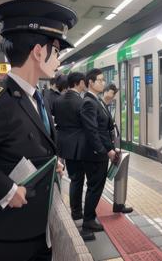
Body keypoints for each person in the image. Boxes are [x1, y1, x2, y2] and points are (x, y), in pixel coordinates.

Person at [0, 0, 77, 261]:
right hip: (6, 235)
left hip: (35, 225)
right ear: (37, 52)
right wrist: (7, 191)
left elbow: (23, 144)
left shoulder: (36, 96)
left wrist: (50, 163)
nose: (59, 59)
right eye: (56, 51)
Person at [52, 72, 94, 239]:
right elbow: (86, 125)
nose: (85, 85)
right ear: (79, 83)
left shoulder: (58, 100)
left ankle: (76, 210)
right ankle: (76, 211)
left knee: (74, 177)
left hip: (63, 144)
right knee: (78, 178)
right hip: (79, 145)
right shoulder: (81, 102)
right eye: (84, 82)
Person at [80, 68, 119, 235]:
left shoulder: (97, 100)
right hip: (95, 155)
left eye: (103, 80)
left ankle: (90, 214)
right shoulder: (89, 102)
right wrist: (105, 151)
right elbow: (93, 131)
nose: (103, 82)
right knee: (95, 187)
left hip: (98, 152)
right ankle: (88, 221)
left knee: (95, 186)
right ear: (91, 82)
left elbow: (103, 127)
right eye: (100, 80)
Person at [100, 83, 132, 214]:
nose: (113, 97)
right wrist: (109, 150)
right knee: (96, 185)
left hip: (109, 146)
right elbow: (99, 131)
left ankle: (118, 204)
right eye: (112, 93)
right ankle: (89, 217)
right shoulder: (98, 104)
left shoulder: (105, 105)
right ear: (106, 91)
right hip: (103, 149)